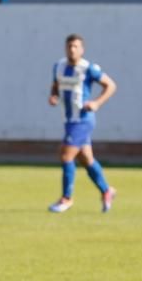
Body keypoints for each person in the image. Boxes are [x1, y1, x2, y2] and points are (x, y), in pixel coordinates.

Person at [48, 34, 117, 213]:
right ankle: (107, 190)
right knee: (86, 160)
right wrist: (54, 95)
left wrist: (96, 103)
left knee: (66, 155)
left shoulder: (88, 69)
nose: (72, 49)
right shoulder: (59, 66)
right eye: (69, 46)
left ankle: (66, 198)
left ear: (82, 49)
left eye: (76, 46)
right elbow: (56, 85)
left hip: (83, 119)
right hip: (69, 120)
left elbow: (110, 85)